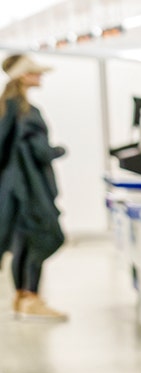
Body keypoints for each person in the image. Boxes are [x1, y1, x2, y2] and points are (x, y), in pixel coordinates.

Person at [0, 54, 67, 322]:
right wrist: (59, 150)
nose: (40, 77)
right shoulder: (27, 112)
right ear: (23, 76)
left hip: (11, 188)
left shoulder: (6, 106)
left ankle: (22, 297)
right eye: (35, 73)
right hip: (29, 189)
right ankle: (31, 297)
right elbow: (40, 152)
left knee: (22, 243)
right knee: (44, 237)